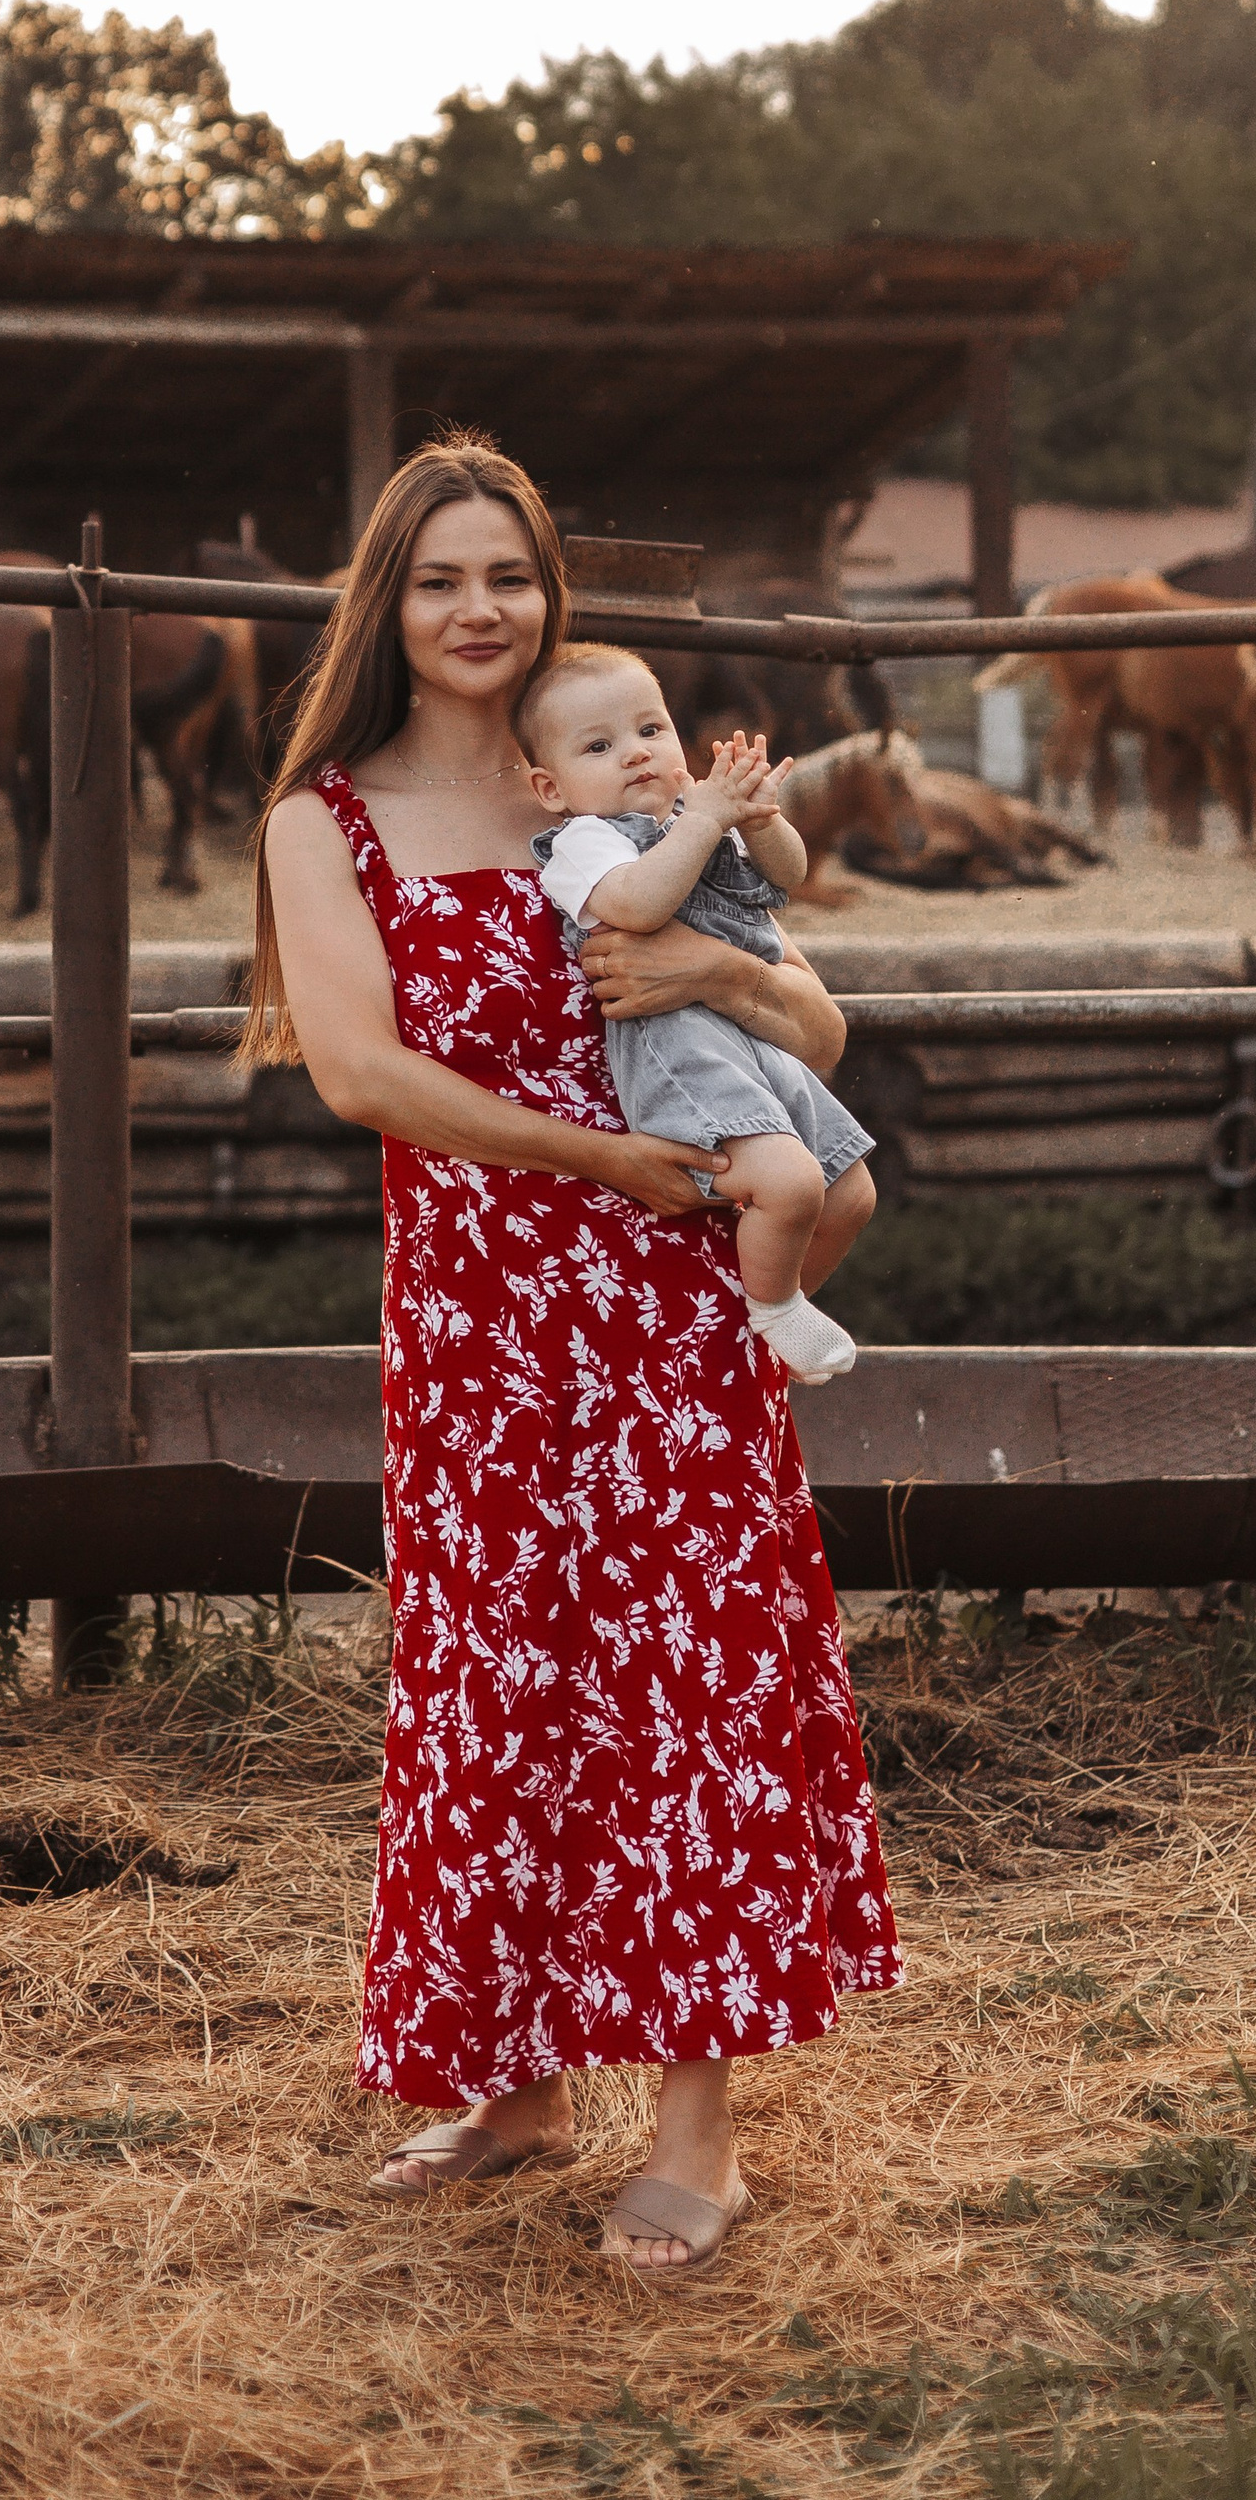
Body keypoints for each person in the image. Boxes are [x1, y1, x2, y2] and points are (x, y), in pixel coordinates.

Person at [248, 433, 899, 2285]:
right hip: (477, 1314)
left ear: (552, 593)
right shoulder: (328, 816)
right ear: (391, 596)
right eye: (442, 578)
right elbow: (362, 1077)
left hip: (667, 1300)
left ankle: (702, 2133)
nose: (479, 610)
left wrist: (717, 984)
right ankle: (512, 2080)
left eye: (509, 576)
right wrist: (603, 1158)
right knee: (497, 1681)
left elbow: (820, 1016)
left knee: (683, 1689)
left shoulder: (626, 781)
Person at [515, 644, 876, 1390]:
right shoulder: (586, 842)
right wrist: (705, 822)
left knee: (852, 1188)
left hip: (747, 1035)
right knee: (793, 1182)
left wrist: (760, 816)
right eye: (600, 746)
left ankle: (772, 1305)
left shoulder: (695, 815)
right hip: (675, 1048)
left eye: (652, 730)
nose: (636, 755)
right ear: (551, 787)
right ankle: (772, 1308)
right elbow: (640, 904)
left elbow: (789, 877)